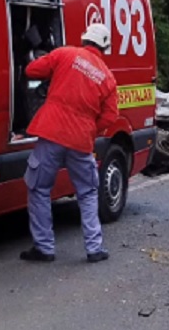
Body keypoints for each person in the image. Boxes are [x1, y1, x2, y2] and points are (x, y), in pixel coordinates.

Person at [19, 22, 118, 264]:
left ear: (85, 39)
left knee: (39, 189)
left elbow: (32, 71)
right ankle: (94, 248)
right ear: (104, 47)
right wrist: (89, 129)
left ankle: (44, 248)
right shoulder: (107, 77)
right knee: (87, 193)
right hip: (81, 140)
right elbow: (110, 115)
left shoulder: (65, 54)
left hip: (51, 131)